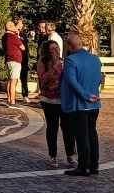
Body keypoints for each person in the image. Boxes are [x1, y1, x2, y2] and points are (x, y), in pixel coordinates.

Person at [61, 33, 102, 177]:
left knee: (82, 135)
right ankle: (94, 165)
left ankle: (83, 166)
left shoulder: (70, 60)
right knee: (92, 134)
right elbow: (99, 78)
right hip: (94, 104)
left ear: (71, 46)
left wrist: (85, 95)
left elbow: (72, 82)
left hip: (80, 103)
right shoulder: (95, 58)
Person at [36, 39, 75, 169]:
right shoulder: (43, 62)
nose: (55, 51)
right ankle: (53, 156)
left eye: (57, 48)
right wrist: (53, 66)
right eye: (52, 49)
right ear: (47, 51)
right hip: (49, 100)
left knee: (68, 127)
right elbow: (42, 80)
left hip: (64, 100)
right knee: (52, 127)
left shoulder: (65, 61)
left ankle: (70, 155)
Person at [2, 20, 25, 108]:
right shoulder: (12, 36)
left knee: (9, 80)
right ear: (10, 27)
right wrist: (17, 33)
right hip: (15, 60)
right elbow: (22, 47)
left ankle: (8, 100)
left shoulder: (5, 36)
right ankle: (12, 101)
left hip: (8, 60)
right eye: (12, 25)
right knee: (13, 81)